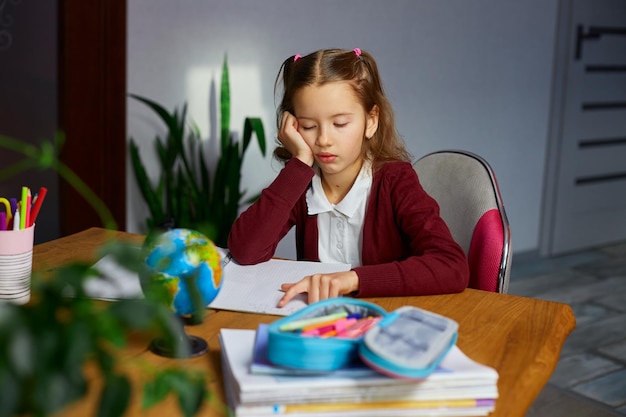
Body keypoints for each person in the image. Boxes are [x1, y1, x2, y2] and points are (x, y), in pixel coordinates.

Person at [228, 48, 469, 308]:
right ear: (293, 126)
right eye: (308, 126)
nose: (323, 140)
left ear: (371, 121)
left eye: (340, 124)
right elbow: (246, 251)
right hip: (322, 323)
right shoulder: (302, 184)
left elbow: (451, 266)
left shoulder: (396, 181)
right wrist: (298, 164)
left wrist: (352, 280)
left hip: (386, 321)